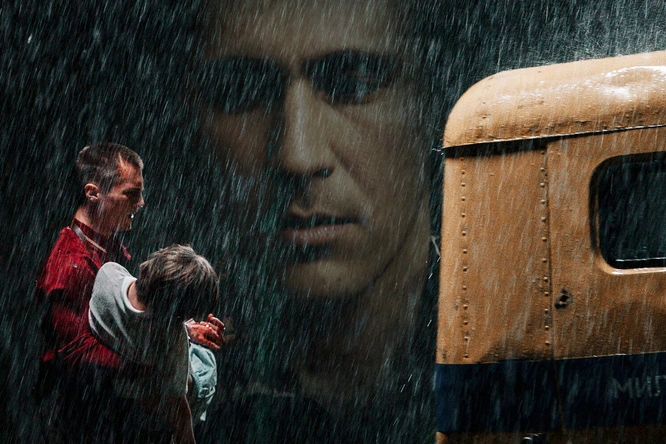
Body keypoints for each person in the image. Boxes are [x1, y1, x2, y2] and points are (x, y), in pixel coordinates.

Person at [189, 0, 445, 441]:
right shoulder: (174, 373)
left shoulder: (526, 353)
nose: (297, 155)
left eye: (354, 83)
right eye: (243, 90)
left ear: (432, 102)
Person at [35, 142, 225, 442]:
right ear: (93, 193)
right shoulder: (68, 264)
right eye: (131, 193)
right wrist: (156, 369)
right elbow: (76, 353)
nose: (141, 203)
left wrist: (182, 329)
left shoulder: (107, 247)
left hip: (110, 413)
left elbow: (123, 321)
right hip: (80, 420)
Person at [88, 244, 219, 443]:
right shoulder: (170, 338)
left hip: (122, 396)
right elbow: (177, 406)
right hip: (149, 414)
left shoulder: (108, 274)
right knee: (206, 361)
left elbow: (137, 314)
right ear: (178, 313)